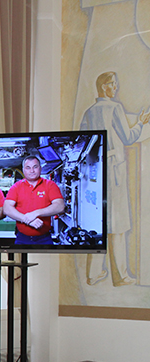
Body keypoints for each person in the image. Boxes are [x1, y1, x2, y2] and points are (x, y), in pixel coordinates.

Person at [80, 71, 150, 286]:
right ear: (104, 87)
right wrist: (140, 123)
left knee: (98, 223)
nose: (115, 88)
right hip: (114, 171)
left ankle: (93, 274)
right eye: (112, 84)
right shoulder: (114, 107)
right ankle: (120, 276)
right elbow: (128, 137)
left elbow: (83, 142)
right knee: (117, 223)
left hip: (94, 172)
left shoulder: (89, 112)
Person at [3, 156, 66, 246]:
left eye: (35, 167)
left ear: (40, 168)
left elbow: (60, 206)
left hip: (44, 239)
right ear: (23, 170)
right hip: (22, 238)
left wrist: (36, 213)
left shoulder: (50, 185)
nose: (32, 171)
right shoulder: (16, 187)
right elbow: (7, 208)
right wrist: (26, 219)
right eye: (28, 168)